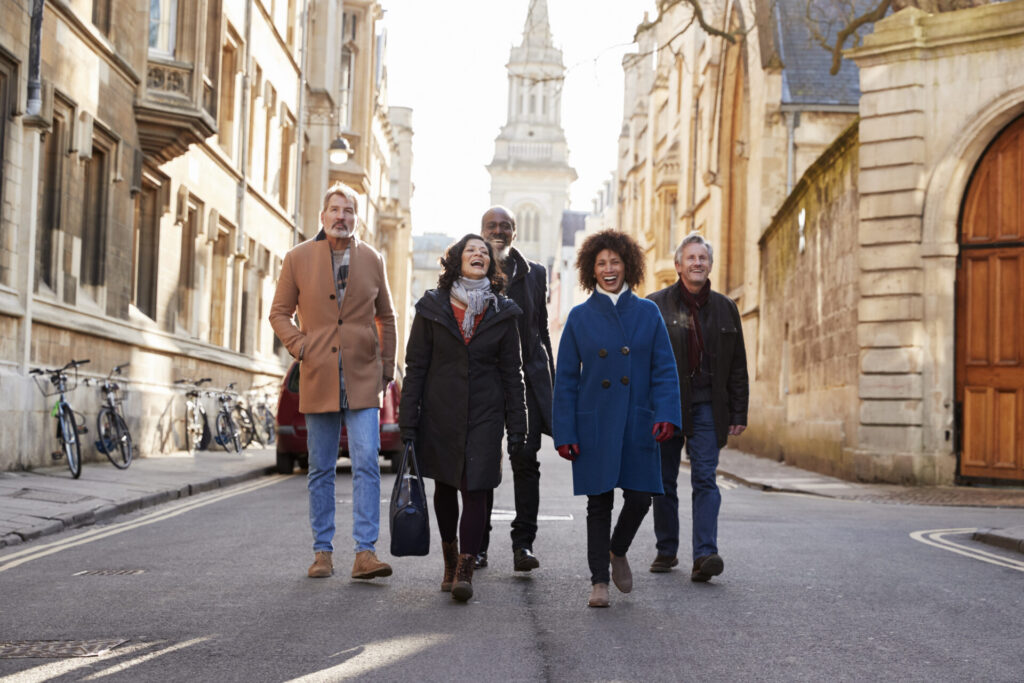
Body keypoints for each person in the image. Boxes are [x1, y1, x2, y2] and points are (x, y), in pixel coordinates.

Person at [269, 181, 397, 581]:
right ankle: (322, 552)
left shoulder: (373, 259)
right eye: (335, 210)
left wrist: (386, 370)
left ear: (357, 218)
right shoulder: (297, 258)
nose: (342, 217)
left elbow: (387, 317)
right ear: (322, 216)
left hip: (363, 377)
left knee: (367, 463)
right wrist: (301, 346)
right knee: (321, 467)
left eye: (349, 211)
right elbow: (279, 313)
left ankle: (365, 553)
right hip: (318, 374)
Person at [552, 230, 681, 608]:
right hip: (595, 421)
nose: (609, 269)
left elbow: (664, 369)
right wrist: (565, 431)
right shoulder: (579, 317)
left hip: (637, 419)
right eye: (601, 263)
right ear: (591, 270)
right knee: (598, 503)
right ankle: (599, 582)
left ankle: (617, 549)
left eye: (615, 262)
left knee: (641, 498)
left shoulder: (647, 313)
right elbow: (566, 380)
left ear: (628, 266)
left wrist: (666, 413)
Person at [399, 234, 527, 602]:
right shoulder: (431, 307)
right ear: (457, 260)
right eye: (471, 250)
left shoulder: (504, 312)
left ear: (490, 264)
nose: (478, 254)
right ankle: (450, 558)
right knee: (445, 488)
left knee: (476, 488)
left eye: (484, 252)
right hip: (441, 411)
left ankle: (465, 569)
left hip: (486, 413)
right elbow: (416, 366)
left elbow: (512, 373)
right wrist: (408, 420)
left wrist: (517, 425)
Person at [647, 232, 749, 582]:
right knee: (664, 480)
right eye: (690, 258)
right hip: (667, 406)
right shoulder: (655, 306)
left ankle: (705, 554)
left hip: (708, 405)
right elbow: (643, 362)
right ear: (678, 265)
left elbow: (738, 365)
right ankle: (666, 549)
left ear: (710, 265)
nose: (697, 263)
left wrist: (738, 413)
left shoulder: (726, 308)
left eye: (702, 258)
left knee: (705, 478)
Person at [477, 205, 554, 572]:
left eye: (505, 226)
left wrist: (550, 381)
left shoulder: (535, 273)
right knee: (483, 466)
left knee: (525, 463)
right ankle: (478, 547)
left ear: (514, 232)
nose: (498, 231)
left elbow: (542, 329)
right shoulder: (472, 268)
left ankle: (523, 544)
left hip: (526, 384)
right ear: (481, 231)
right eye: (492, 225)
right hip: (486, 383)